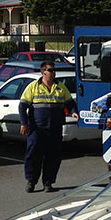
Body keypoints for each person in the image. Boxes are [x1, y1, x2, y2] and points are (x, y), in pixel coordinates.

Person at [19, 60, 78, 193]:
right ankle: (31, 181)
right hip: (37, 129)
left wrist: (74, 112)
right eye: (50, 70)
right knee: (33, 155)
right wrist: (24, 123)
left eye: (54, 70)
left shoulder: (61, 87)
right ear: (43, 72)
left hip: (55, 129)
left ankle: (48, 182)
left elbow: (70, 103)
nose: (53, 73)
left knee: (53, 156)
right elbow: (23, 106)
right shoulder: (33, 87)